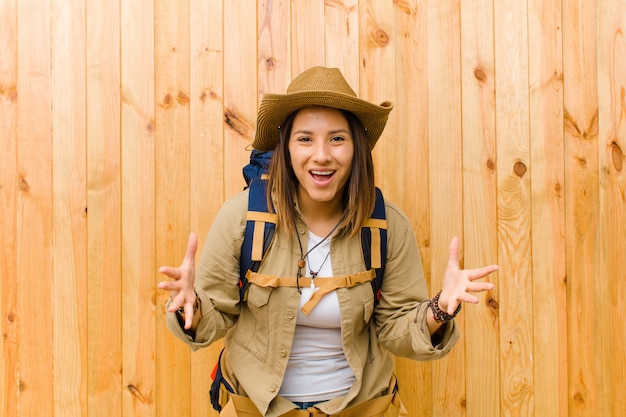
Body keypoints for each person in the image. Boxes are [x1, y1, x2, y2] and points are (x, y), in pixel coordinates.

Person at [158, 66, 498, 417]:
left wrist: (439, 310)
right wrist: (191, 306)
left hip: (363, 408)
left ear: (357, 149)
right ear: (286, 148)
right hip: (255, 408)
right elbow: (214, 318)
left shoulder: (387, 226)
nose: (321, 154)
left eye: (337, 138)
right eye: (305, 138)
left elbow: (396, 329)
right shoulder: (242, 218)